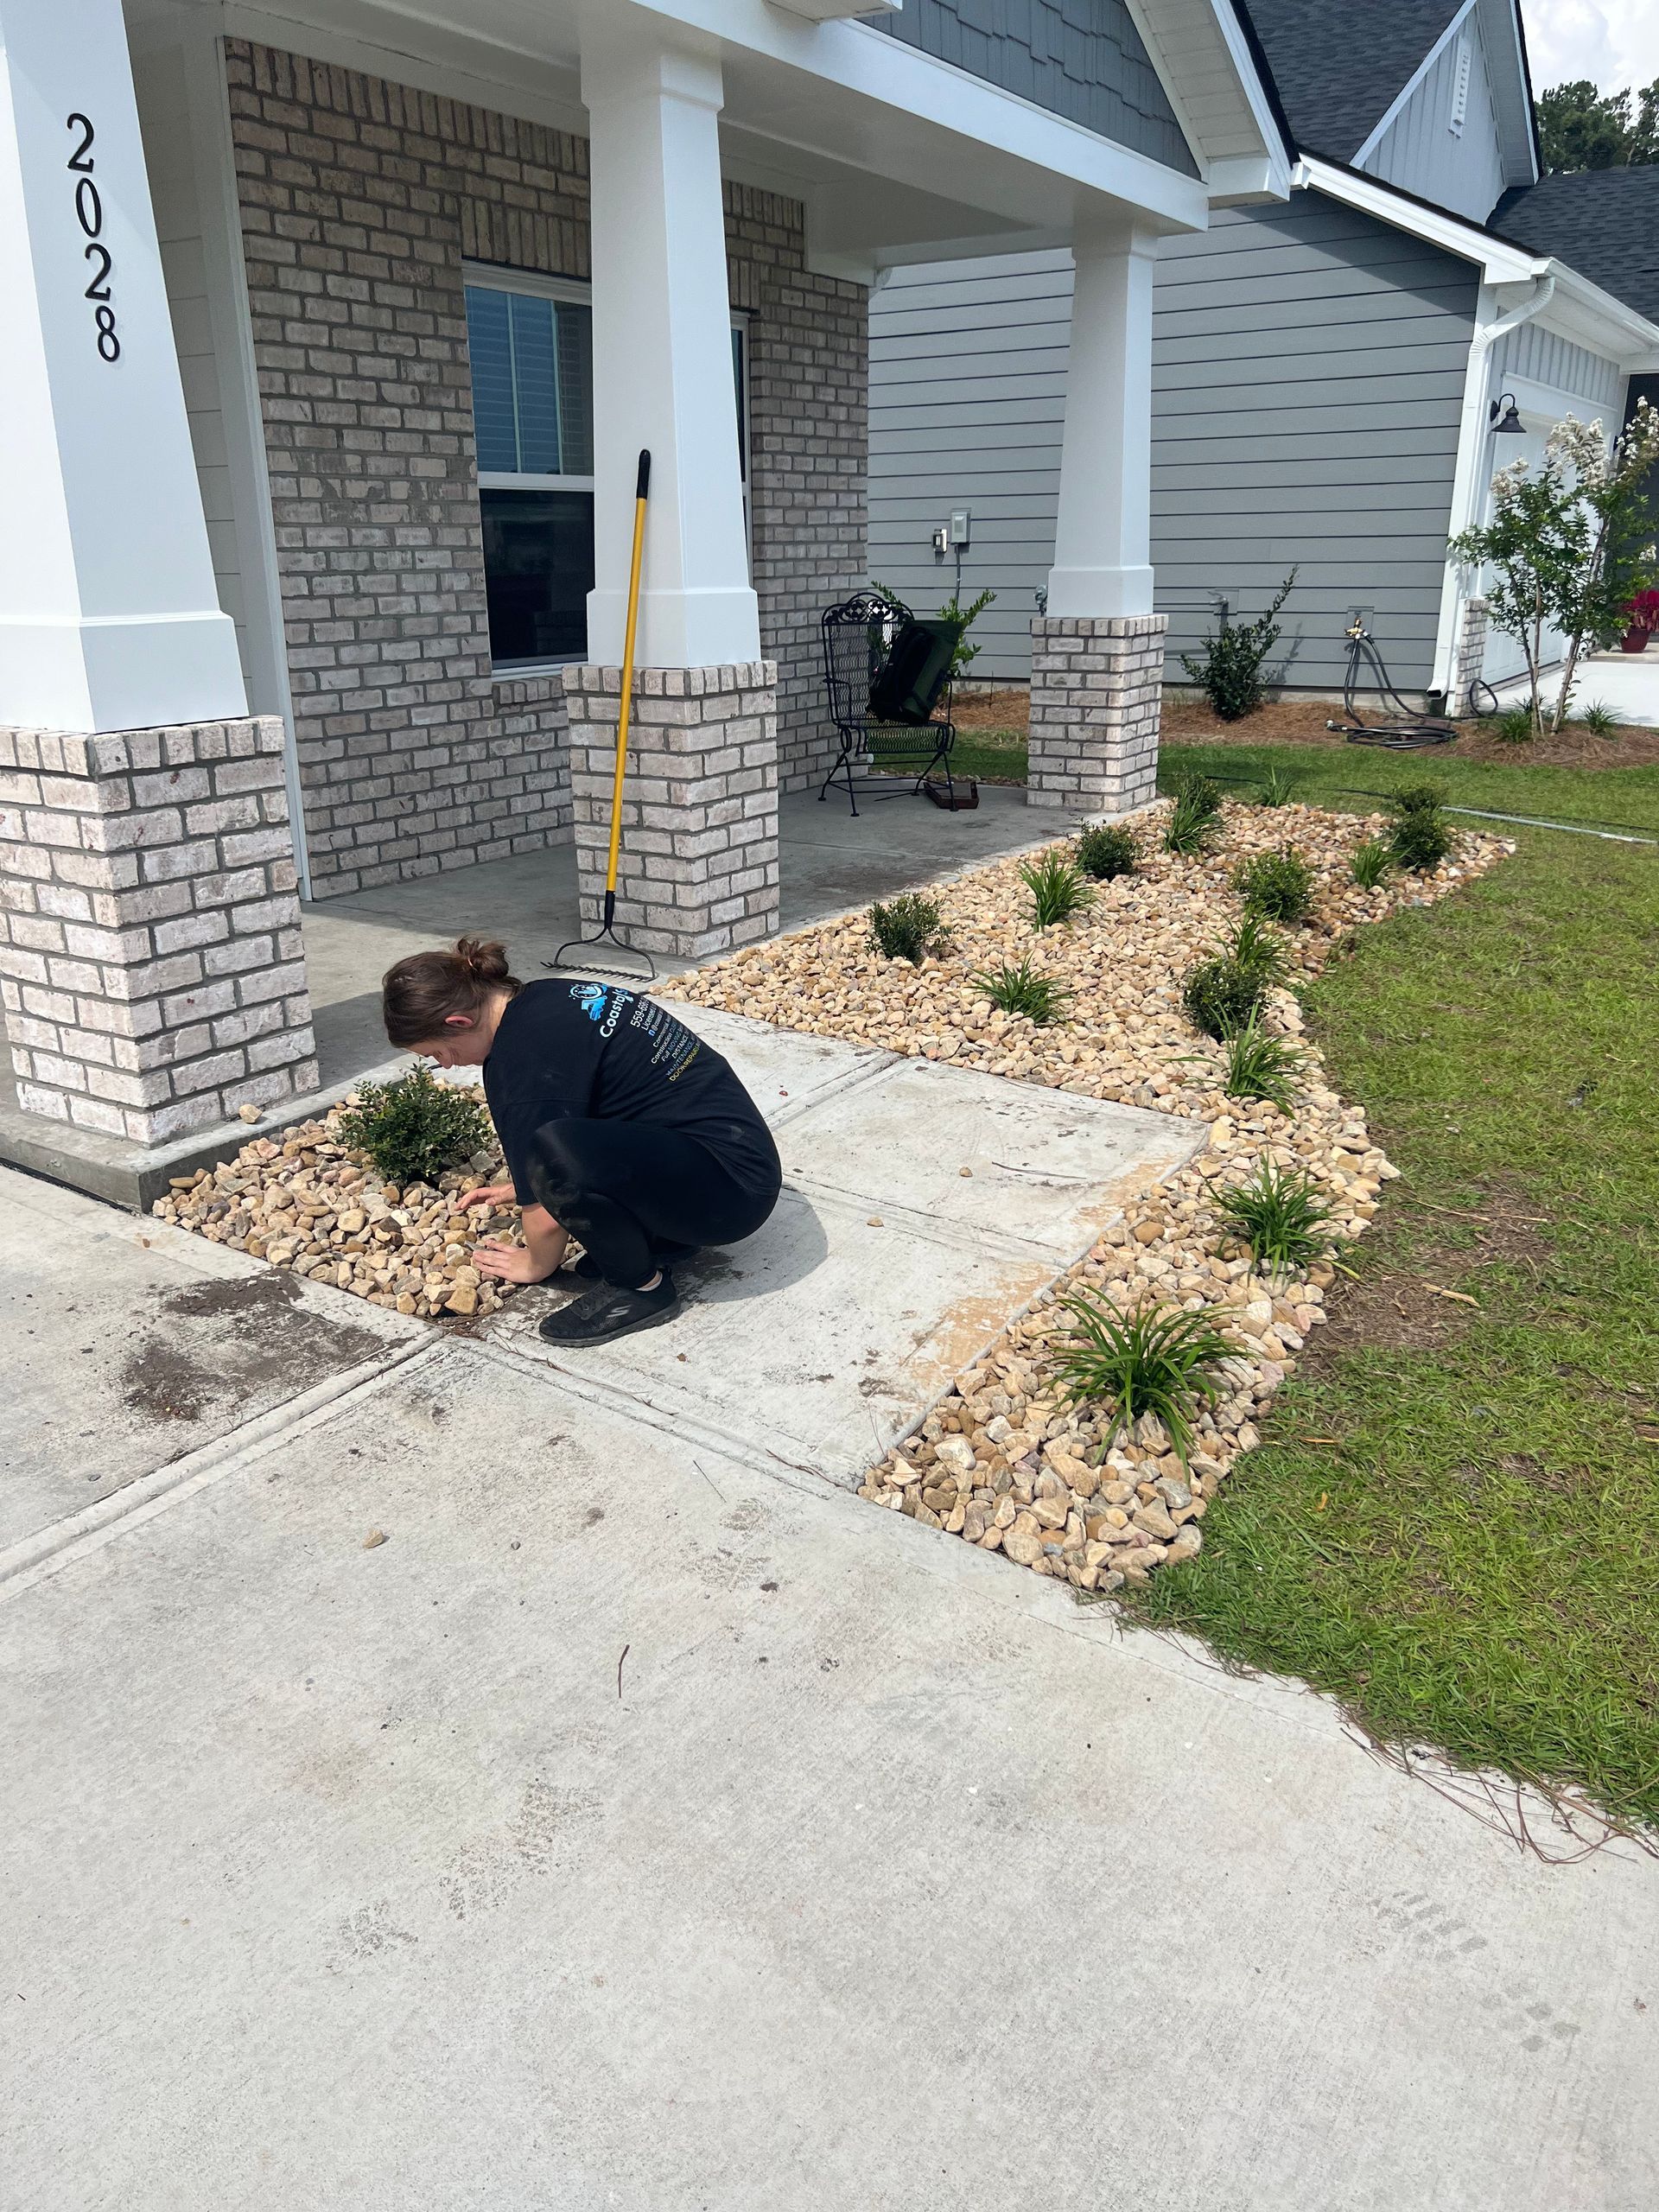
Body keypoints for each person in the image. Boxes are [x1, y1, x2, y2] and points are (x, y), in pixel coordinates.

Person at [379, 938, 782, 1345]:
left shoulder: (519, 1064)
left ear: (459, 1023)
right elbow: (601, 1115)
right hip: (739, 1166)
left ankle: (640, 1287)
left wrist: (536, 1263)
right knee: (558, 1150)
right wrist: (521, 1184)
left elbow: (550, 1181)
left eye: (437, 1053)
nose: (445, 1065)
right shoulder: (547, 997)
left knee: (552, 1149)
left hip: (726, 1203)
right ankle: (663, 1239)